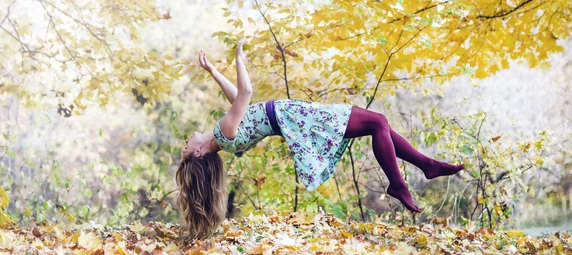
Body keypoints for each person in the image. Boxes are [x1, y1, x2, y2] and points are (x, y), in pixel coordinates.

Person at [176, 38, 465, 239]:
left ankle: (425, 166)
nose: (185, 143)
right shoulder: (223, 133)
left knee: (380, 125)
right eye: (185, 150)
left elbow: (239, 103)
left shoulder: (226, 135)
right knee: (378, 123)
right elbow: (246, 94)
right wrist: (239, 58)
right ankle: (400, 183)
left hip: (297, 119)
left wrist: (213, 71)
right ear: (199, 153)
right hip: (300, 120)